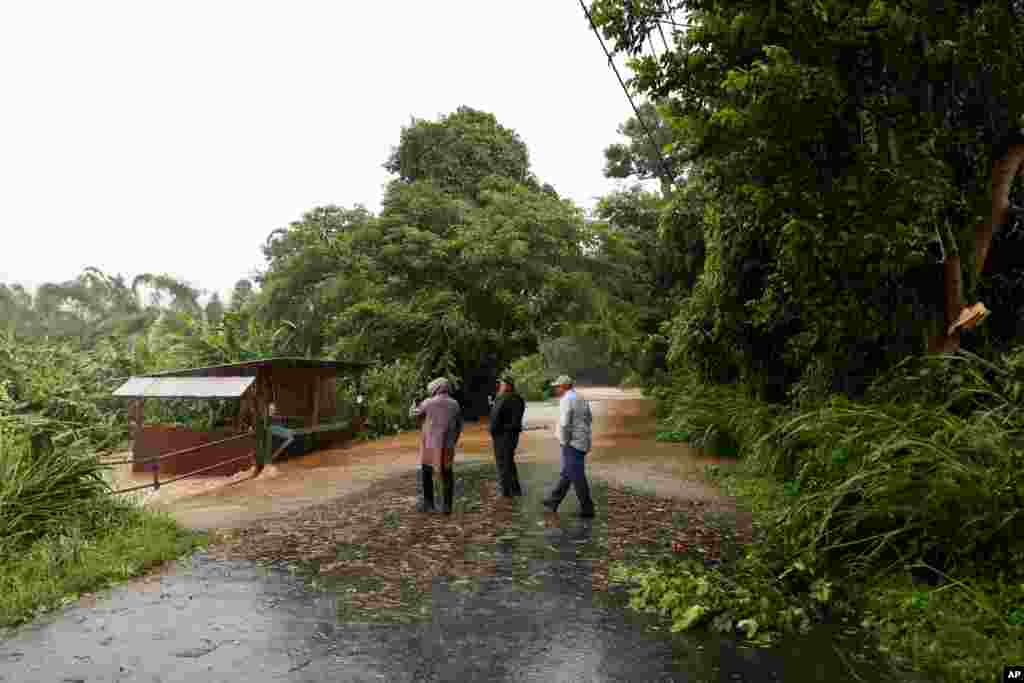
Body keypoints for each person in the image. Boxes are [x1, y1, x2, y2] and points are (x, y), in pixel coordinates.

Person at [541, 375, 594, 518]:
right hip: (582, 440)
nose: (556, 389)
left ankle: (587, 508)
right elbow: (589, 418)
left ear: (564, 386)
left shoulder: (566, 400)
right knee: (568, 473)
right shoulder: (580, 397)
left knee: (576, 476)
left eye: (557, 386)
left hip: (572, 443)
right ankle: (553, 501)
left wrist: (564, 441)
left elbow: (565, 424)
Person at [409, 377, 463, 514]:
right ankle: (447, 506)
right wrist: (453, 440)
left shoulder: (428, 403)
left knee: (427, 475)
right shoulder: (455, 404)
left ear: (435, 388)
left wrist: (413, 405)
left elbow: (413, 415)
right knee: (447, 475)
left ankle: (429, 504)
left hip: (429, 447)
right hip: (448, 446)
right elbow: (459, 426)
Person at [489, 377, 525, 497]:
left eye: (502, 385)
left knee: (502, 463)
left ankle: (505, 493)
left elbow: (495, 417)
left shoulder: (503, 398)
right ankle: (515, 490)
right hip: (513, 435)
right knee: (509, 461)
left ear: (509, 386)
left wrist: (492, 431)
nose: (500, 387)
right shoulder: (519, 399)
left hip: (502, 435)